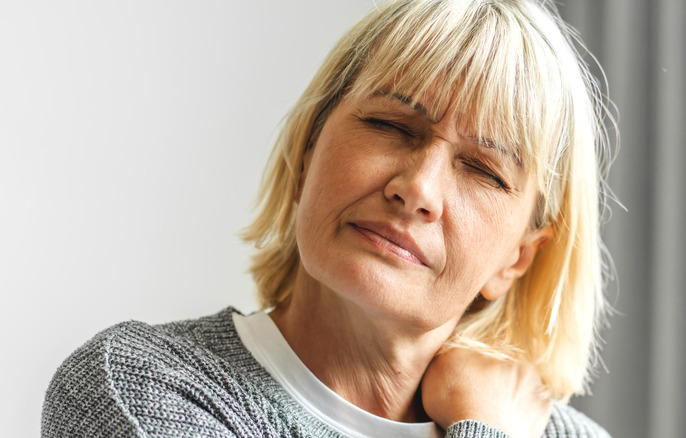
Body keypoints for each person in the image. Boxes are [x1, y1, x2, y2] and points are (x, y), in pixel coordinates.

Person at [42, 0, 613, 436]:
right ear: (309, 149)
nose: (418, 189)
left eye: (484, 171)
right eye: (392, 126)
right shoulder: (139, 387)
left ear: (518, 258)